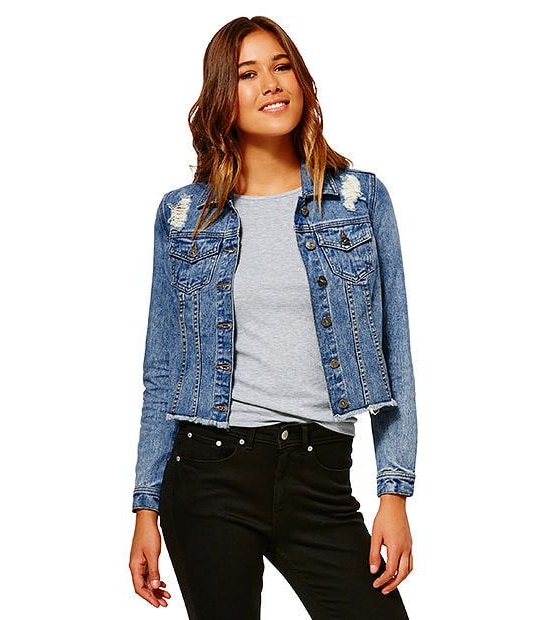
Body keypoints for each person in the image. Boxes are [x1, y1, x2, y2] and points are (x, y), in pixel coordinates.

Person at [129, 15, 417, 620]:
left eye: (281, 66)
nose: (270, 83)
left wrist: (394, 493)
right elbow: (163, 369)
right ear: (222, 97)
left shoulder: (356, 200)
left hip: (321, 478)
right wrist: (145, 506)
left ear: (302, 81)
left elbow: (395, 352)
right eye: (247, 74)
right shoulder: (184, 216)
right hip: (210, 473)